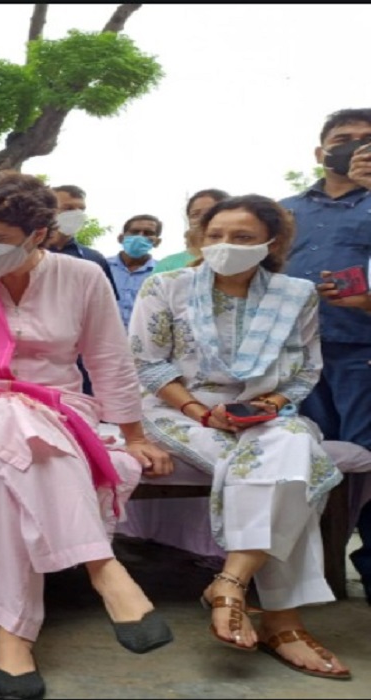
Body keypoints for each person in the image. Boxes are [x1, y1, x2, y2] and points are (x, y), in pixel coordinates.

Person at [0, 172, 175, 700]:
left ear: (39, 235)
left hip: (56, 410)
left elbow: (110, 361)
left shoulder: (81, 276)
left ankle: (13, 637)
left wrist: (134, 434)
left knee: (17, 469)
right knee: (14, 422)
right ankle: (104, 568)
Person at [129, 194, 351, 679]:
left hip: (262, 412)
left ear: (271, 243)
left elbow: (303, 370)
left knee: (293, 444)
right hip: (179, 409)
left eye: (243, 237)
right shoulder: (166, 286)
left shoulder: (296, 294)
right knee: (293, 467)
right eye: (215, 236)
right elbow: (148, 364)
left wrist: (265, 407)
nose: (226, 245)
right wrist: (200, 411)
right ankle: (283, 622)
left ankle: (231, 580)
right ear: (199, 239)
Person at [281, 108, 371, 604]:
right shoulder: (283, 211)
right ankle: (302, 575)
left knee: (369, 469)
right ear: (320, 152)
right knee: (300, 463)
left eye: (366, 140)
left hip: (362, 353)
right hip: (292, 361)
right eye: (343, 139)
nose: (355, 147)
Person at [44, 184, 117, 295]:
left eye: (81, 209)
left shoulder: (93, 258)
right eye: (68, 208)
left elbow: (104, 303)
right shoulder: (29, 253)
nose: (77, 214)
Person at [154, 188, 230, 273]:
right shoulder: (168, 264)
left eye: (210, 212)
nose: (202, 219)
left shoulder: (240, 258)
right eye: (195, 214)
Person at [109, 214, 163, 329]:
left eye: (148, 233)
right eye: (134, 232)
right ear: (121, 238)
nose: (140, 237)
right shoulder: (101, 267)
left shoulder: (162, 273)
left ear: (157, 242)